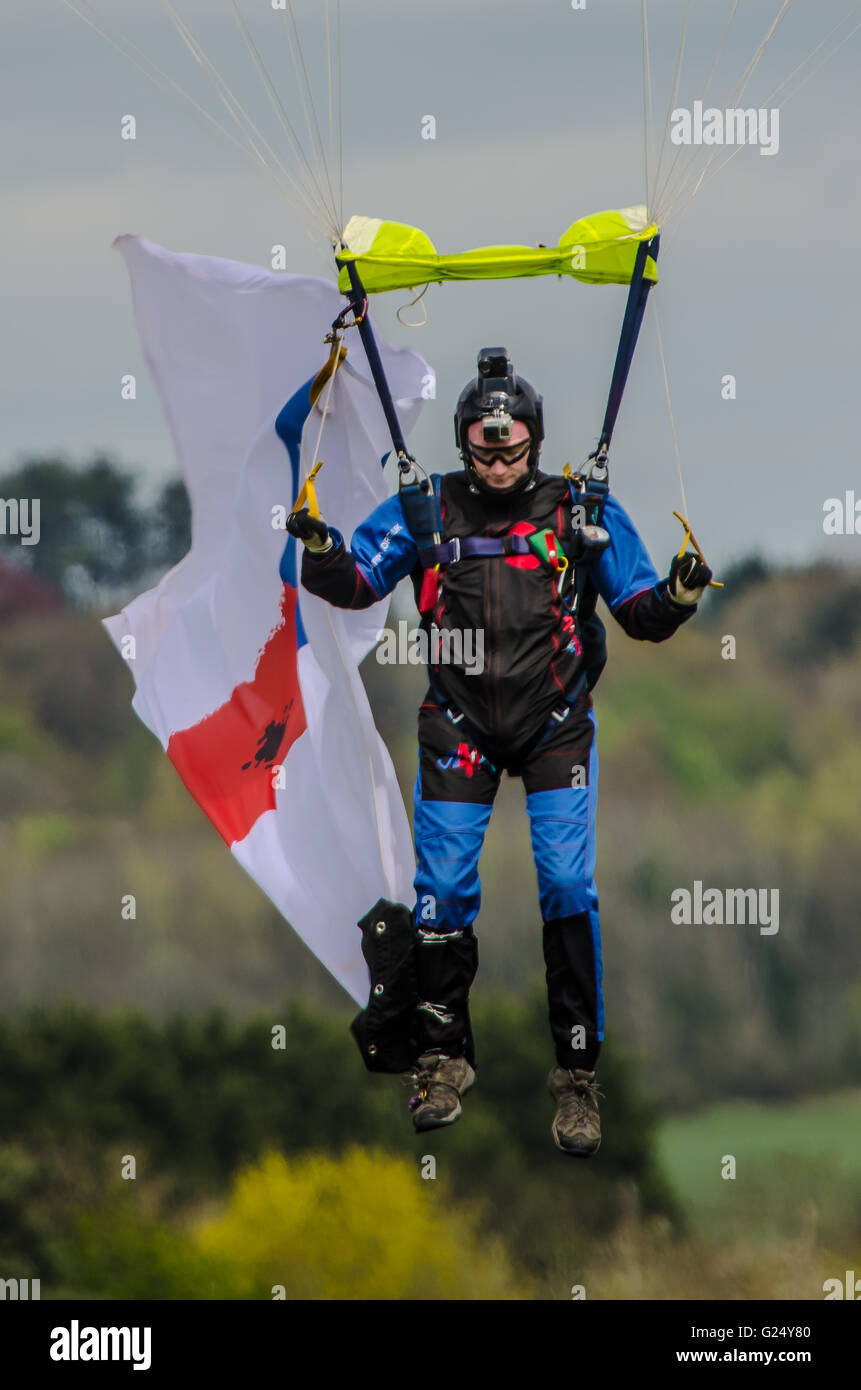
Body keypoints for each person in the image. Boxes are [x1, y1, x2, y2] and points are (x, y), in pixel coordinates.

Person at [286, 347, 711, 1156]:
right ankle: (442, 1062)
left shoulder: (578, 509)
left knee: (564, 885)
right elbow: (355, 582)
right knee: (441, 890)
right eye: (484, 451)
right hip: (459, 725)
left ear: (534, 440)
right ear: (462, 443)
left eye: (512, 449)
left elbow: (640, 613)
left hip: (554, 724)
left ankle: (577, 1078)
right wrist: (320, 548)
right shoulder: (425, 508)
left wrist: (683, 591)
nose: (499, 464)